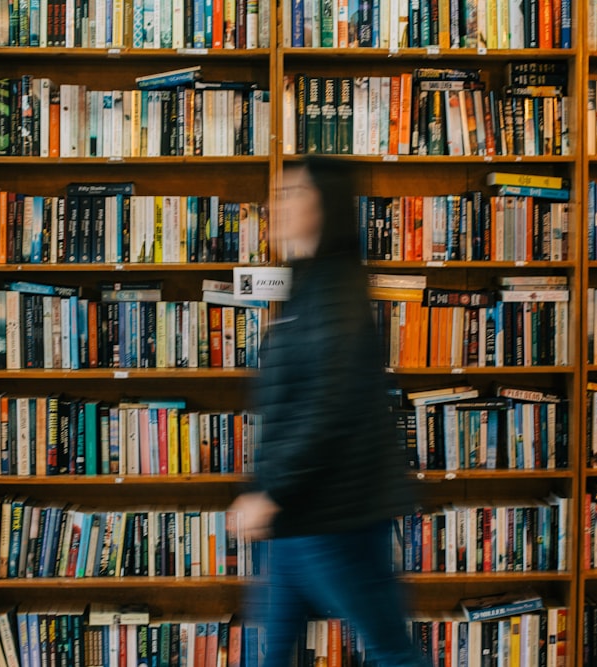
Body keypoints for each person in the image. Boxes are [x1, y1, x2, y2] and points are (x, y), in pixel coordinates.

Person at [230, 156, 421, 667]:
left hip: (336, 515)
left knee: (391, 652)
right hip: (299, 516)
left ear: (324, 207)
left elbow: (327, 404)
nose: (277, 204)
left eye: (293, 193)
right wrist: (263, 489)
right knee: (270, 652)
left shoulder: (336, 290)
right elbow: (289, 404)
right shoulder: (305, 281)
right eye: (277, 193)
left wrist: (270, 491)